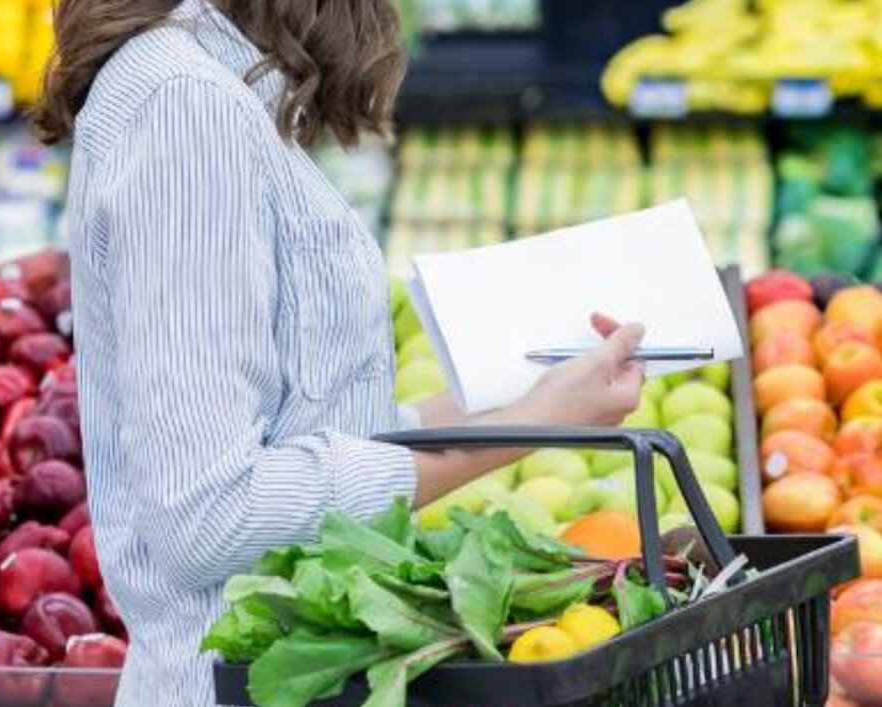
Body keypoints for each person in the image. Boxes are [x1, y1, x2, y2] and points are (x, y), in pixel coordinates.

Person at [34, 0, 646, 703]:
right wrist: (530, 428)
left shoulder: (215, 88)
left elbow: (304, 437)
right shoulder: (186, 107)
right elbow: (208, 514)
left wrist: (523, 402)